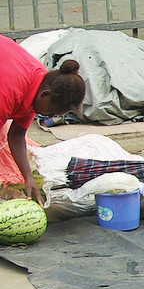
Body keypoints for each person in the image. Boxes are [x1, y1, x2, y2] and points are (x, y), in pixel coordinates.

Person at [0, 39, 85, 204]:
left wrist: (28, 178)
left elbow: (17, 135)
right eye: (51, 112)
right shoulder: (9, 91)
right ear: (45, 95)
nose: (50, 116)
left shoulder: (40, 84)